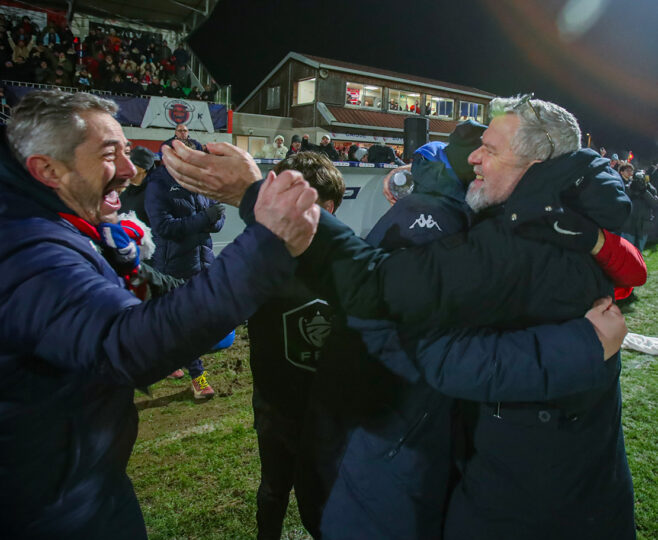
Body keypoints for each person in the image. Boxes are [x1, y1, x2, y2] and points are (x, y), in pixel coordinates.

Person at [160, 94, 640, 540]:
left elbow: (391, 300)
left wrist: (258, 195)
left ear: (536, 165)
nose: (474, 157)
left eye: (489, 149)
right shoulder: (559, 220)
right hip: (537, 483)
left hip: (536, 502)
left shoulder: (521, 241)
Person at [0, 89, 320, 538]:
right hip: (19, 513)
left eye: (126, 151)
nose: (128, 169)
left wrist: (136, 273)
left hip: (66, 486)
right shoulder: (13, 247)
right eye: (109, 154)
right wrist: (264, 247)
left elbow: (150, 302)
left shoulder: (47, 226)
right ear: (47, 169)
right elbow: (124, 345)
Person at [248, 152, 345, 540]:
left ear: (330, 207)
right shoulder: (260, 261)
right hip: (275, 409)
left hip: (327, 414)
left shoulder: (349, 261)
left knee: (320, 502)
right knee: (273, 491)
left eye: (305, 204)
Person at [144, 135, 226, 399]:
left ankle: (166, 359)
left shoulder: (201, 182)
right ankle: (198, 378)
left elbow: (217, 216)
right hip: (173, 266)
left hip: (202, 260)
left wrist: (213, 220)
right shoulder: (158, 184)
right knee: (188, 323)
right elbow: (165, 228)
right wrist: (205, 218)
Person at [619, 163, 658, 251]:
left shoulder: (650, 189)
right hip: (629, 225)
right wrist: (633, 187)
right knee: (626, 250)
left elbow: (655, 204)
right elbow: (623, 199)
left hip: (643, 226)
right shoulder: (629, 186)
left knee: (638, 252)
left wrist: (644, 191)